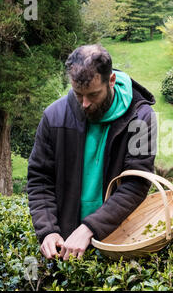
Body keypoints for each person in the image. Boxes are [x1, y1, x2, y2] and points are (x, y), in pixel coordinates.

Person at [27, 44, 156, 260]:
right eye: (78, 95)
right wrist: (48, 230)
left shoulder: (140, 119)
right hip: (65, 244)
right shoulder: (54, 116)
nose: (85, 104)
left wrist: (88, 228)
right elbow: (40, 180)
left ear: (111, 81)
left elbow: (135, 184)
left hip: (118, 242)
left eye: (93, 95)